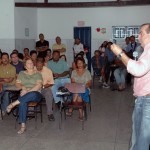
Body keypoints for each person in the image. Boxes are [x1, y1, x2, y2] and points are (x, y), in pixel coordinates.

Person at [110, 23, 150, 150]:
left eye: (141, 33)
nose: (138, 36)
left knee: (142, 141)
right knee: (137, 139)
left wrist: (120, 53)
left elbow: (138, 70)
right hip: (142, 100)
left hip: (147, 101)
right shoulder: (146, 51)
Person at [6, 58, 43, 134]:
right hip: (24, 94)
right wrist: (23, 87)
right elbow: (17, 84)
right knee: (22, 103)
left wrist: (27, 91)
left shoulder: (38, 73)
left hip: (35, 94)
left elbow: (39, 85)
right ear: (25, 66)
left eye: (32, 63)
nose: (31, 64)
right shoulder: (22, 73)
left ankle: (13, 104)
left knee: (32, 94)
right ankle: (23, 126)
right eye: (29, 63)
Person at [66, 57, 92, 121]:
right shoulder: (74, 72)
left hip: (85, 89)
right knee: (78, 93)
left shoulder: (87, 72)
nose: (79, 64)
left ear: (83, 63)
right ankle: (81, 113)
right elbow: (73, 82)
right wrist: (78, 87)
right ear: (76, 64)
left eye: (81, 63)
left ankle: (71, 108)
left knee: (78, 92)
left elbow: (89, 84)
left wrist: (82, 87)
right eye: (78, 63)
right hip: (75, 89)